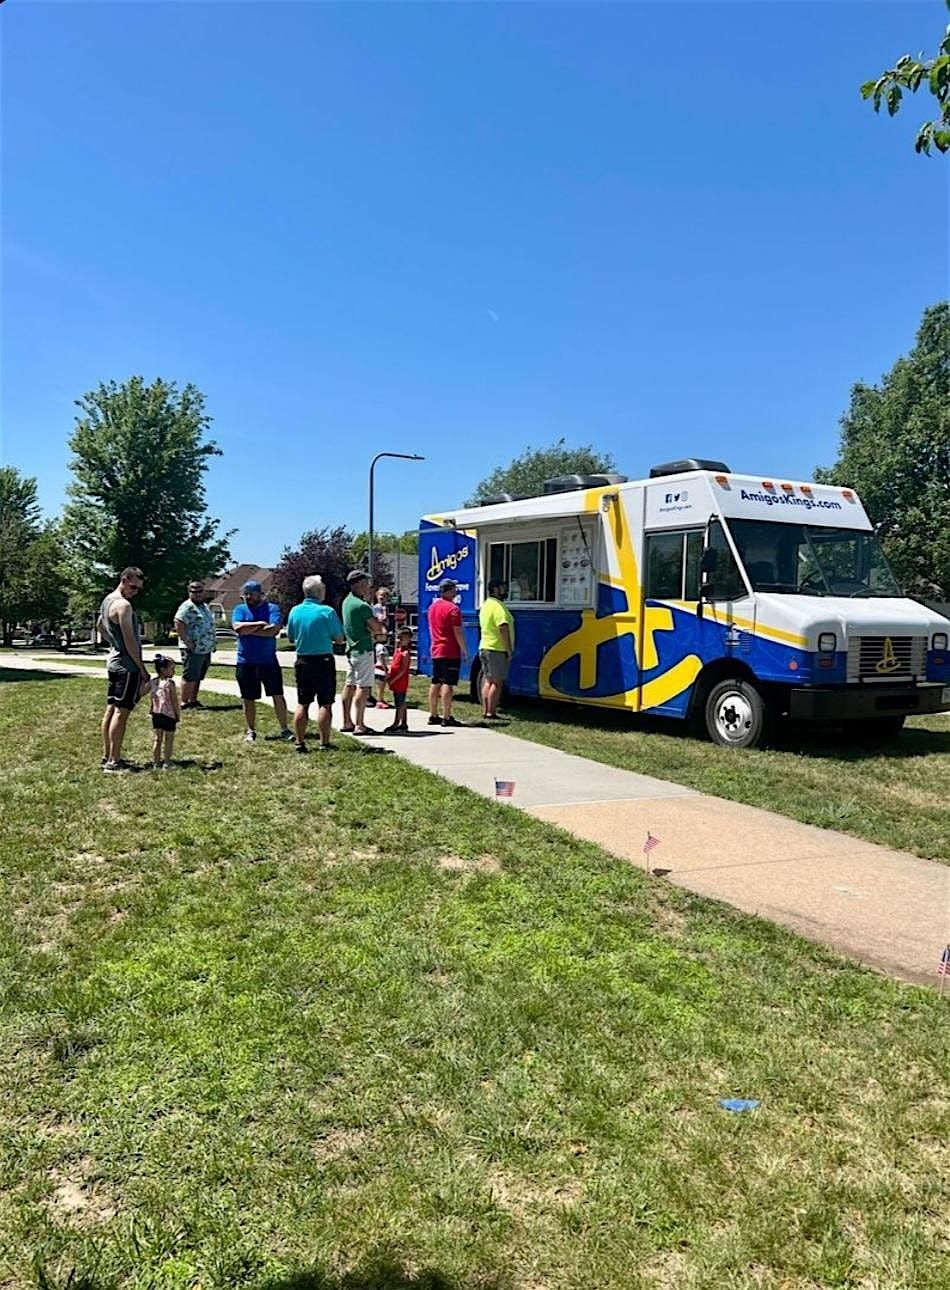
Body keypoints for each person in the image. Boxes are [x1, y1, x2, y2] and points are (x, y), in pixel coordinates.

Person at [285, 575, 345, 753]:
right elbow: (339, 638)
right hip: (323, 660)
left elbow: (290, 636)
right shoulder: (327, 612)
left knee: (303, 702)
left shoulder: (295, 611)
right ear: (319, 592)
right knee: (325, 704)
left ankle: (299, 742)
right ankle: (324, 743)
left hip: (303, 659)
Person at [99, 566, 150, 772]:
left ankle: (107, 755)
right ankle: (114, 761)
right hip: (126, 666)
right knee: (122, 712)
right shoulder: (123, 606)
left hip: (113, 662)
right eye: (133, 587)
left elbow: (100, 626)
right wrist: (142, 668)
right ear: (124, 579)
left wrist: (113, 643)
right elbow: (130, 641)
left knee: (111, 709)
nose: (135, 592)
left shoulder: (107, 601)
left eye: (138, 589)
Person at [231, 579, 292, 744]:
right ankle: (251, 731)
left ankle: (284, 729)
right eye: (246, 594)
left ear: (260, 594)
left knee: (277, 694)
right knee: (248, 698)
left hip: (268, 661)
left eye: (251, 593)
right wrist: (259, 624)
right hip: (246, 661)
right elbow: (238, 628)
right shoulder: (239, 609)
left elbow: (273, 631)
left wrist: (248, 630)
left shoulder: (272, 608)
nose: (248, 597)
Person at [341, 570, 385, 735]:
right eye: (366, 583)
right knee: (364, 686)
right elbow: (378, 628)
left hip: (351, 649)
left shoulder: (347, 602)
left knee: (349, 684)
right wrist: (375, 630)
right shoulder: (362, 606)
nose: (368, 587)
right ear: (359, 584)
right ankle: (360, 724)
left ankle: (347, 721)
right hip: (363, 648)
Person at [427, 578, 468, 727]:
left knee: (436, 681)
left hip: (436, 648)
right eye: (454, 589)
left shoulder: (432, 607)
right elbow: (458, 632)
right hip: (449, 650)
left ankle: (433, 714)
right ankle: (446, 716)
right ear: (449, 591)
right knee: (448, 684)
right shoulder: (453, 609)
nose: (456, 591)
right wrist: (464, 650)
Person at [173, 579, 216, 709]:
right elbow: (178, 622)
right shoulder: (187, 606)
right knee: (190, 675)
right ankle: (184, 702)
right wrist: (186, 641)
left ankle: (193, 700)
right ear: (189, 592)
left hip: (205, 648)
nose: (197, 594)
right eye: (194, 592)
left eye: (200, 591)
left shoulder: (204, 606)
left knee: (198, 676)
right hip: (193, 648)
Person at [478, 579, 515, 721]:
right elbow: (502, 627)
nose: (505, 590)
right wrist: (509, 649)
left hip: (485, 646)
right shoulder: (498, 606)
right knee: (497, 683)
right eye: (502, 588)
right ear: (494, 590)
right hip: (497, 649)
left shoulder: (486, 605)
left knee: (488, 680)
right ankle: (491, 712)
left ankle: (485, 709)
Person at [149, 653, 181, 769]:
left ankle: (156, 762)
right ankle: (167, 762)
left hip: (156, 714)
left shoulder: (153, 682)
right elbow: (174, 701)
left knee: (157, 739)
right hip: (169, 715)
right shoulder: (169, 684)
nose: (174, 671)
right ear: (163, 670)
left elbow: (143, 692)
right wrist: (177, 714)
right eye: (172, 669)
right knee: (169, 739)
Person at [381, 626, 413, 734]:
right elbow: (394, 664)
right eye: (399, 638)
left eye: (403, 639)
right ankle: (403, 723)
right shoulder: (397, 650)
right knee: (400, 701)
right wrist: (389, 674)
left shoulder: (406, 653)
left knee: (399, 702)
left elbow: (403, 669)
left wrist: (393, 679)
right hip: (395, 679)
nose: (400, 640)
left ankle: (396, 723)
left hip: (400, 681)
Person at [373, 639, 391, 709]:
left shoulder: (379, 646)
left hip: (379, 668)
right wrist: (385, 668)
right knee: (380, 687)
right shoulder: (380, 646)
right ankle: (379, 701)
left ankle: (381, 700)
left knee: (381, 687)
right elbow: (381, 657)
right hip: (380, 669)